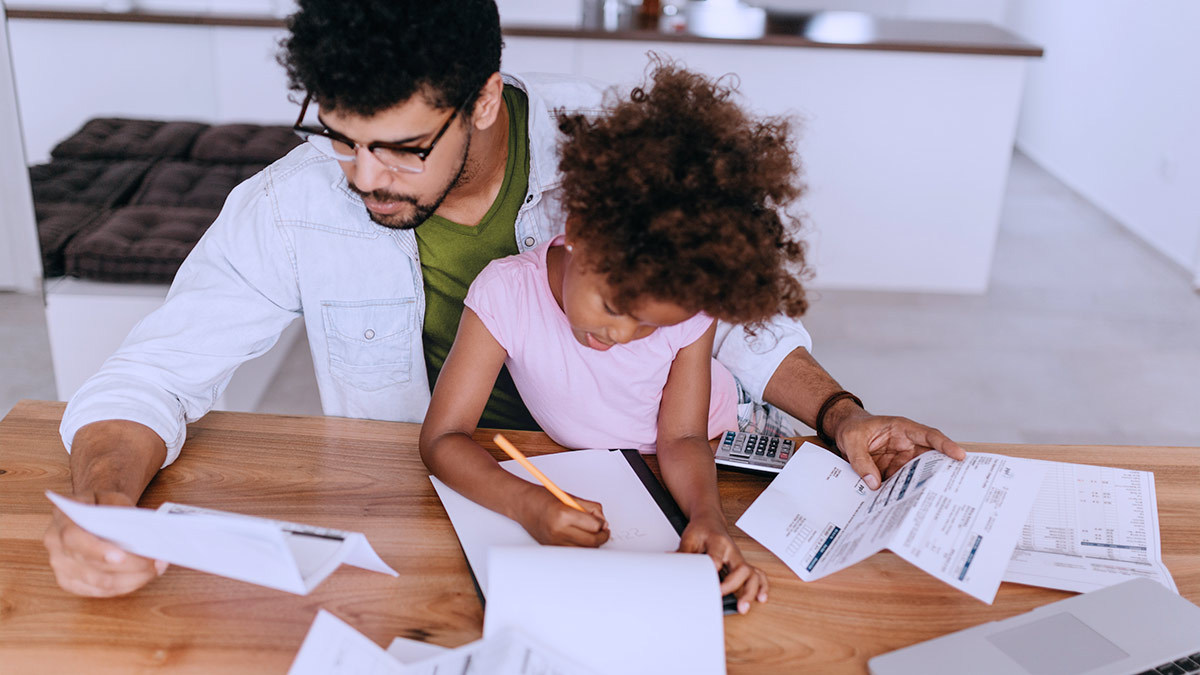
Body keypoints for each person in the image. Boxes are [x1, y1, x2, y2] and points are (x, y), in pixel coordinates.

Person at [44, 0, 964, 598]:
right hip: (438, 498)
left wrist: (841, 414)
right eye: (340, 136)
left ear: (483, 99)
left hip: (643, 483)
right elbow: (152, 374)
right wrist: (104, 505)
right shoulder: (291, 204)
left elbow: (730, 320)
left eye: (404, 147)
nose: (364, 177)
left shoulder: (606, 153)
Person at [420, 63, 809, 614]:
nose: (623, 335)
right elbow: (442, 438)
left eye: (651, 326)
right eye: (612, 306)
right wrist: (527, 504)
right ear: (577, 231)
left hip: (729, 437)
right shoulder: (504, 295)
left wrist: (707, 519)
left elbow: (683, 436)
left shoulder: (689, 303)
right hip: (624, 469)